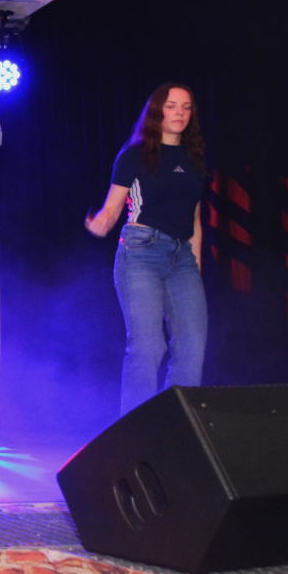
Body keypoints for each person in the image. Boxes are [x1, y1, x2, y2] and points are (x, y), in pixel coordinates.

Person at [84, 83, 207, 414]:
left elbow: (195, 220)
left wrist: (194, 268)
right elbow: (113, 208)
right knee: (148, 346)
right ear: (157, 111)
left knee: (192, 346)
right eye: (172, 106)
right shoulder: (135, 156)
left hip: (182, 259)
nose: (180, 112)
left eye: (186, 107)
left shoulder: (194, 158)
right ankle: (135, 429)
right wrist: (100, 223)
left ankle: (177, 424)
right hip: (142, 252)